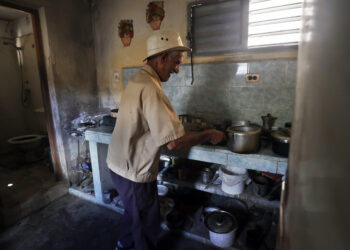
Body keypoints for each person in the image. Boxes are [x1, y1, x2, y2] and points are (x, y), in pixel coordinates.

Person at [106, 30, 225, 250]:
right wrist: (209, 134)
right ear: (162, 58)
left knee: (133, 213)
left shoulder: (137, 79)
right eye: (176, 63)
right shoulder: (151, 88)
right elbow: (174, 142)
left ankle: (123, 244)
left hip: (118, 165)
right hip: (133, 171)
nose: (177, 69)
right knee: (146, 222)